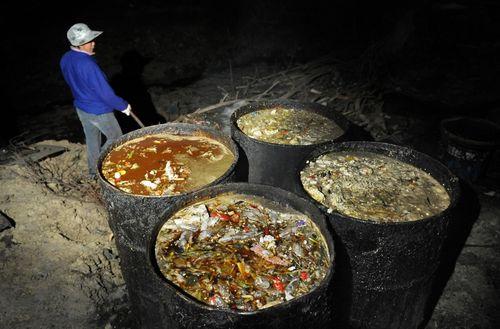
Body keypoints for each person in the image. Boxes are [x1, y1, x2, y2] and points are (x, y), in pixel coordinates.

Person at [60, 23, 131, 178]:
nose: (94, 43)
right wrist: (123, 106)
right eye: (90, 41)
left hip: (81, 107)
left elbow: (71, 80)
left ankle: (93, 173)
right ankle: (102, 166)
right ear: (80, 44)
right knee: (116, 139)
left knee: (93, 140)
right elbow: (105, 93)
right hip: (99, 110)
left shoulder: (66, 58)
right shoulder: (87, 64)